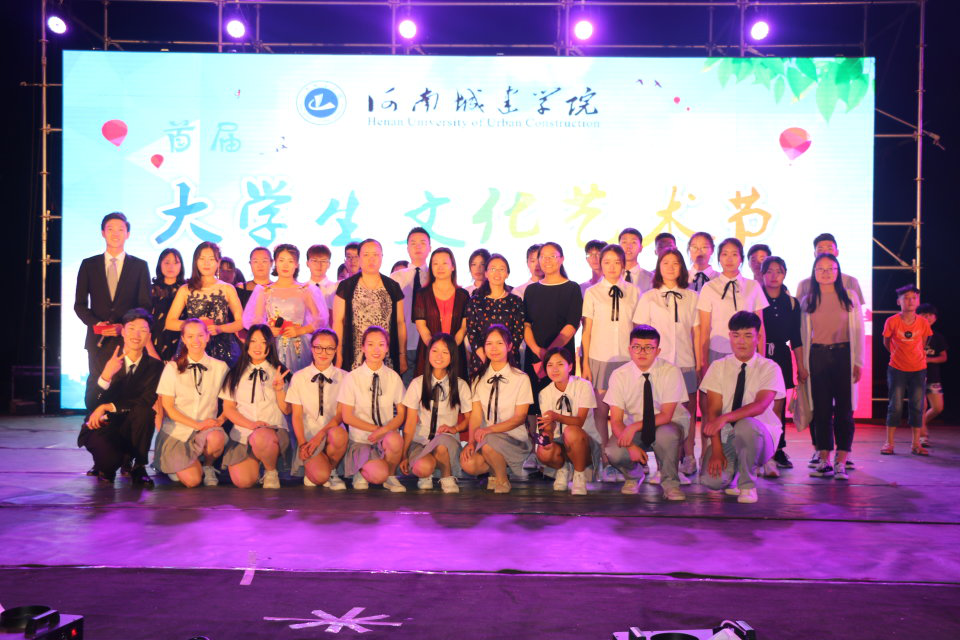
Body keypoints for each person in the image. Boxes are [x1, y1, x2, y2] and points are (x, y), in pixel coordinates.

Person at [700, 312, 786, 503]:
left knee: (745, 425)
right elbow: (713, 412)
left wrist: (725, 417)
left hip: (760, 437)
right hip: (727, 435)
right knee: (711, 480)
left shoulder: (770, 367)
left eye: (748, 335)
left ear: (758, 338)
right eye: (736, 335)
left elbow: (760, 406)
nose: (741, 341)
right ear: (730, 336)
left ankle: (747, 485)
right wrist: (716, 450)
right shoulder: (718, 366)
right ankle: (735, 475)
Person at [74, 212, 151, 409]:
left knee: (126, 387)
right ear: (102, 233)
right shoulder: (89, 265)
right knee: (97, 385)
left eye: (120, 230)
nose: (115, 233)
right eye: (110, 229)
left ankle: (120, 424)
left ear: (128, 234)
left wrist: (124, 326)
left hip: (128, 339)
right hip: (97, 340)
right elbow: (79, 305)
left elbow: (145, 305)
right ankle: (93, 422)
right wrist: (97, 324)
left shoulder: (140, 266)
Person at [604, 325, 691, 501]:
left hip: (668, 424)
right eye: (637, 347)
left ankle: (671, 484)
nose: (642, 352)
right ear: (629, 349)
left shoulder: (670, 371)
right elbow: (616, 421)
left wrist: (633, 427)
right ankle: (633, 476)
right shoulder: (619, 375)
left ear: (658, 351)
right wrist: (631, 446)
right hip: (635, 427)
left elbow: (666, 415)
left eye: (649, 347)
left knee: (666, 435)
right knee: (613, 451)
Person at [634, 248, 700, 477]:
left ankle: (688, 456)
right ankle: (661, 462)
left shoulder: (692, 297)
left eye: (675, 263)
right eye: (665, 263)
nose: (670, 267)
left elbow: (697, 334)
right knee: (658, 412)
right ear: (658, 267)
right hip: (658, 365)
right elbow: (640, 333)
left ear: (682, 267)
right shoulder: (649, 297)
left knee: (688, 412)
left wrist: (699, 364)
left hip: (685, 362)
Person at [79, 308, 164, 486]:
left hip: (133, 422)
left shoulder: (155, 366)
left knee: (146, 413)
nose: (136, 334)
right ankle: (110, 461)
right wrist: (106, 376)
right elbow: (90, 403)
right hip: (103, 422)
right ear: (123, 332)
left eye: (142, 330)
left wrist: (109, 406)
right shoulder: (102, 358)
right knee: (110, 464)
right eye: (131, 328)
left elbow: (147, 400)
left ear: (149, 336)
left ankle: (139, 466)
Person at [800, 254, 865, 479]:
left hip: (843, 356)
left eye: (831, 268)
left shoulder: (850, 296)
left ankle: (842, 460)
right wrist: (803, 365)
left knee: (845, 411)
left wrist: (858, 361)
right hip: (817, 357)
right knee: (821, 411)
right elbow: (803, 336)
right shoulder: (808, 300)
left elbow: (859, 330)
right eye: (821, 268)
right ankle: (824, 458)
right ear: (814, 272)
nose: (826, 272)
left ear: (838, 272)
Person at [581, 244, 637, 474]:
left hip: (627, 358)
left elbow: (637, 328)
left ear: (623, 264)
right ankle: (605, 457)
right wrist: (585, 363)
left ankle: (624, 456)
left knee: (624, 411)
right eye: (607, 262)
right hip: (600, 357)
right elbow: (587, 331)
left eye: (616, 262)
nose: (612, 267)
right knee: (601, 412)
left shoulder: (634, 291)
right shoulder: (592, 292)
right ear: (601, 265)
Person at [154, 318, 230, 488]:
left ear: (207, 337)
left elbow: (230, 402)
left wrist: (219, 420)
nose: (196, 341)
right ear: (183, 339)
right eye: (190, 336)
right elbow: (168, 407)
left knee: (217, 437)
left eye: (200, 335)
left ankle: (208, 466)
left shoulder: (220, 367)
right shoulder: (172, 368)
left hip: (207, 430)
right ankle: (177, 464)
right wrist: (197, 425)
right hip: (177, 432)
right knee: (193, 481)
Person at [460, 324, 533, 493]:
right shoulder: (478, 379)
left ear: (509, 346)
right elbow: (476, 416)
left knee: (489, 440)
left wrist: (489, 430)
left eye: (499, 343)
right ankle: (495, 469)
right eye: (489, 343)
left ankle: (502, 479)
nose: (494, 348)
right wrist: (471, 442)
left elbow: (520, 418)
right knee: (468, 463)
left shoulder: (521, 378)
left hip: (514, 439)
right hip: (486, 439)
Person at [219, 324, 292, 489]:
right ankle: (258, 462)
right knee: (243, 482)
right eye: (253, 341)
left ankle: (271, 471)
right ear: (247, 344)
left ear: (270, 345)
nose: (257, 346)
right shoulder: (235, 373)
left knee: (260, 437)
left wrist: (279, 390)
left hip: (271, 433)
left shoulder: (279, 372)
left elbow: (287, 410)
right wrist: (251, 425)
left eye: (263, 342)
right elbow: (228, 409)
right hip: (243, 434)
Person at [338, 326, 407, 492]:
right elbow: (347, 417)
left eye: (381, 344)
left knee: (395, 440)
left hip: (385, 438)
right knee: (377, 476)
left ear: (387, 348)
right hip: (362, 439)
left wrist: (385, 431)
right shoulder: (352, 378)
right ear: (362, 347)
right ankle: (360, 470)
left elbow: (401, 414)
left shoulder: (393, 377)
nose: (376, 350)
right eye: (370, 344)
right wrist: (376, 430)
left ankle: (391, 476)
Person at [400, 333, 472, 493]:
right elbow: (410, 423)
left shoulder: (460, 385)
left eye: (445, 352)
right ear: (428, 353)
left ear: (452, 357)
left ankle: (447, 476)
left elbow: (469, 419)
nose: (439, 356)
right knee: (423, 468)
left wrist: (455, 429)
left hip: (447, 442)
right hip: (421, 441)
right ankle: (428, 471)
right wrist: (404, 453)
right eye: (435, 351)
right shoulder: (417, 383)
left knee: (441, 443)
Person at [243, 244, 328, 372]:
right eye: (281, 260)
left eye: (290, 261)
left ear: (297, 264)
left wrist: (300, 331)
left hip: (298, 344)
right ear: (275, 263)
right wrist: (267, 331)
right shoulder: (264, 291)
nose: (285, 265)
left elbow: (320, 320)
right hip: (272, 344)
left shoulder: (305, 290)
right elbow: (255, 321)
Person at [523, 242, 583, 413]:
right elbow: (526, 324)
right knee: (534, 404)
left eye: (552, 256)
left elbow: (572, 325)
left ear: (561, 259)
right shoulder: (531, 290)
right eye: (543, 257)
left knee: (561, 404)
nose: (547, 260)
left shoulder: (572, 288)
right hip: (535, 355)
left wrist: (549, 355)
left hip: (561, 355)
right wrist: (538, 351)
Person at [286, 329, 348, 489]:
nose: (324, 353)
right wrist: (303, 444)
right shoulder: (299, 377)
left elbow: (340, 415)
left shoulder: (345, 377)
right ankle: (317, 468)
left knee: (339, 434)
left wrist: (320, 436)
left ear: (336, 350)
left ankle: (332, 470)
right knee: (320, 477)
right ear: (312, 348)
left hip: (331, 435)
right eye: (319, 347)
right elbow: (296, 415)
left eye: (329, 348)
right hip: (308, 436)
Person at [760, 256, 806, 471]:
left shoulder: (792, 303)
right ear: (762, 274)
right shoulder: (755, 297)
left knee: (779, 405)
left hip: (781, 355)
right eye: (769, 271)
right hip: (759, 355)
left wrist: (801, 366)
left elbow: (796, 337)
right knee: (757, 403)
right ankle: (758, 449)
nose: (774, 276)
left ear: (785, 274)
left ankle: (777, 448)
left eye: (779, 271)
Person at [332, 238, 406, 372]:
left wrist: (402, 355)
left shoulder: (392, 287)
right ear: (359, 258)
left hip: (386, 356)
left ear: (382, 257)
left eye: (375, 255)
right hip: (355, 357)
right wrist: (339, 354)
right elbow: (338, 322)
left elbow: (400, 323)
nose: (371, 259)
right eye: (366, 255)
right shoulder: (346, 286)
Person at [166, 242, 244, 368]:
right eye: (202, 259)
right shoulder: (185, 289)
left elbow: (241, 322)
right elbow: (169, 322)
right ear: (196, 261)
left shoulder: (227, 289)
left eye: (211, 259)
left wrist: (220, 328)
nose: (206, 263)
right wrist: (194, 326)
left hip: (223, 347)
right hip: (193, 346)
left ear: (218, 262)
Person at [696, 237, 767, 368]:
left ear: (741, 259)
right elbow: (704, 329)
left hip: (747, 352)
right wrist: (703, 362)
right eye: (725, 254)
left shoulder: (753, 286)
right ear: (719, 258)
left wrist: (762, 359)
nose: (729, 259)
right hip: (717, 351)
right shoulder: (709, 287)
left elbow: (760, 327)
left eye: (734, 254)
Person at [535, 348, 597, 495]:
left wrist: (556, 416)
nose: (555, 369)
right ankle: (562, 469)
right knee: (543, 452)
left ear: (570, 366)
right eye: (550, 365)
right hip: (560, 443)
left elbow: (580, 421)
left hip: (584, 443)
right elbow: (548, 425)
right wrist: (547, 437)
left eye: (560, 364)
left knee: (571, 431)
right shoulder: (545, 393)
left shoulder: (583, 386)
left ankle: (579, 475)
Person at [882, 284, 932, 457]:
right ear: (899, 301)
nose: (910, 301)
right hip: (897, 368)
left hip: (918, 369)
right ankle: (889, 443)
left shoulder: (923, 322)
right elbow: (886, 343)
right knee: (895, 406)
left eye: (913, 298)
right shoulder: (892, 321)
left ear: (918, 301)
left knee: (917, 406)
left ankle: (916, 443)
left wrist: (915, 357)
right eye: (906, 298)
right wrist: (898, 355)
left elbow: (923, 342)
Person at [464, 253, 525, 377]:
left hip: (509, 360)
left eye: (501, 269)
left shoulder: (516, 301)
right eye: (492, 269)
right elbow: (472, 332)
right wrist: (484, 355)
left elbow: (518, 333)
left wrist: (504, 356)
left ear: (507, 274)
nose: (497, 273)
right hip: (481, 360)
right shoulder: (475, 301)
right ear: (486, 273)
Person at [412, 248, 469, 378]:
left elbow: (464, 327)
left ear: (453, 267)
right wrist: (435, 350)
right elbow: (421, 326)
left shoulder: (463, 295)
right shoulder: (422, 294)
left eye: (444, 263)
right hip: (428, 352)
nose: (440, 267)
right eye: (435, 263)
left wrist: (450, 349)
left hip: (455, 352)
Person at [392, 227, 432, 384]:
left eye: (422, 243)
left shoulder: (436, 276)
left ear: (430, 248)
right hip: (404, 342)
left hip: (429, 342)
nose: (418, 247)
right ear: (407, 248)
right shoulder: (395, 278)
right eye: (413, 243)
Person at [795, 233, 864, 303]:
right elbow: (800, 308)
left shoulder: (851, 281)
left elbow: (857, 308)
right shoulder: (804, 284)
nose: (825, 253)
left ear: (837, 252)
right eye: (820, 250)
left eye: (830, 249)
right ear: (815, 254)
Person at [918, 303, 946, 446]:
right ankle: (922, 437)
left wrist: (929, 359)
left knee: (938, 408)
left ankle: (918, 426)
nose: (928, 317)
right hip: (916, 376)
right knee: (921, 407)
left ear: (935, 318)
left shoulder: (937, 337)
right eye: (924, 315)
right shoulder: (913, 334)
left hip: (933, 377)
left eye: (930, 315)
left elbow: (943, 357)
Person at [150, 248, 186, 362]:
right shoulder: (151, 290)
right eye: (167, 263)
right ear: (160, 264)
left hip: (181, 346)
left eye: (175, 263)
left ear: (181, 266)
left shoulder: (187, 290)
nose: (171, 267)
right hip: (154, 345)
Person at [305, 244, 338, 314]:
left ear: (329, 264)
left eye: (323, 261)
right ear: (307, 263)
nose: (319, 265)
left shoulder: (336, 289)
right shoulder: (302, 289)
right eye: (314, 261)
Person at [619, 227, 653, 292]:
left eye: (633, 242)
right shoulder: (610, 276)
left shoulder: (651, 278)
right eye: (624, 242)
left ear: (641, 248)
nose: (628, 246)